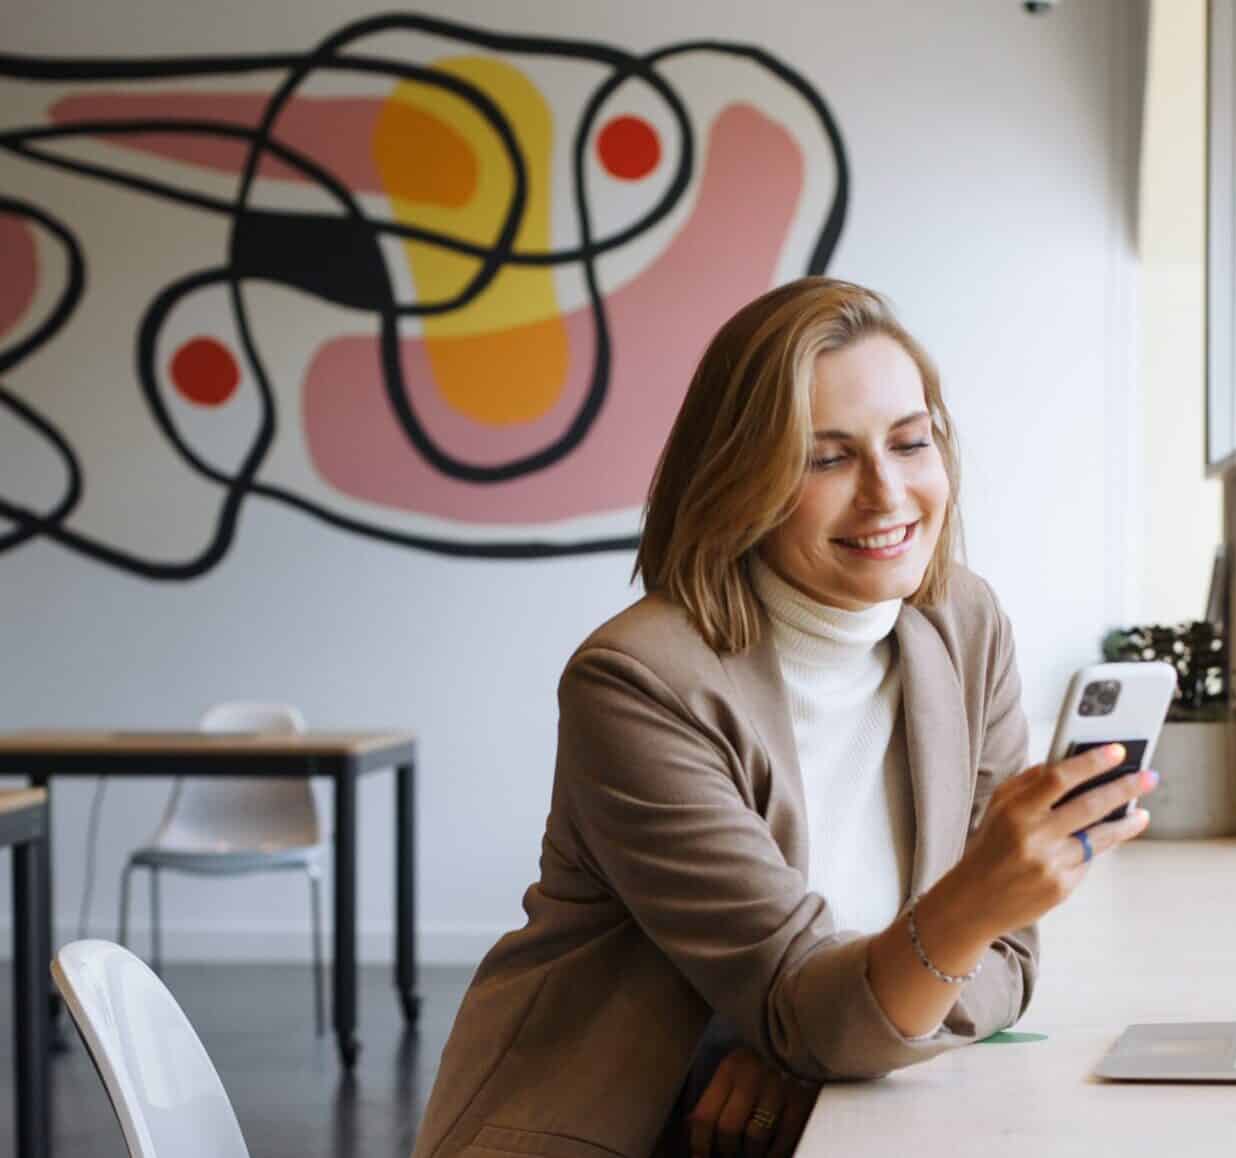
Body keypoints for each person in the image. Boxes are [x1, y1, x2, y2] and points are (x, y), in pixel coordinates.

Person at [412, 278, 1160, 1158]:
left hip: (812, 1116)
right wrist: (897, 973)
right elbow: (904, 974)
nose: (886, 494)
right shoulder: (637, 683)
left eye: (910, 443)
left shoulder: (962, 625)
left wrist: (824, 1052)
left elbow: (1005, 969)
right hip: (624, 1131)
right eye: (825, 458)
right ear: (740, 476)